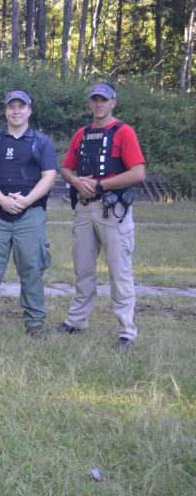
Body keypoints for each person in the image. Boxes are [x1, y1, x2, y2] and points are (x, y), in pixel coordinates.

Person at [55, 82, 146, 350]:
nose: (98, 104)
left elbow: (138, 172)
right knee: (83, 269)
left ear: (113, 102)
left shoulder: (123, 132)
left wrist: (100, 184)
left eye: (103, 100)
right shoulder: (82, 134)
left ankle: (126, 332)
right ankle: (76, 321)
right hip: (84, 208)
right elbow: (66, 169)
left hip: (113, 210)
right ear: (90, 103)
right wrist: (75, 181)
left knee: (120, 272)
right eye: (94, 100)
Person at [0, 90, 57, 338]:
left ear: (29, 110)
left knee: (32, 268)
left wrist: (26, 200)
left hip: (30, 216)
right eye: (11, 106)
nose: (16, 111)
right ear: (5, 110)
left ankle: (35, 323)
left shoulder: (41, 142)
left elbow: (49, 176)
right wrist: (1, 200)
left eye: (21, 106)